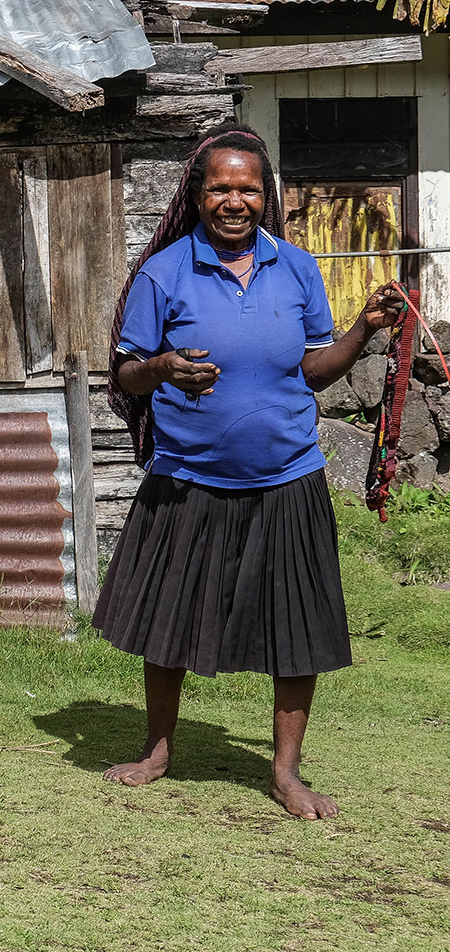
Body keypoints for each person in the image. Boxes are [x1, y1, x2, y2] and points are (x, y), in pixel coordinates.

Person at [96, 126, 404, 820]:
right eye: (220, 188)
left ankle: (286, 773)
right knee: (167, 623)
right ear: (197, 194)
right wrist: (162, 368)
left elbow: (315, 368)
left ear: (267, 197)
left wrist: (364, 329)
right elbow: (124, 372)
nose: (234, 200)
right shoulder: (163, 273)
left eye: (248, 188)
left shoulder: (296, 268)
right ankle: (157, 750)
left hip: (287, 475)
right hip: (188, 478)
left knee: (298, 629)